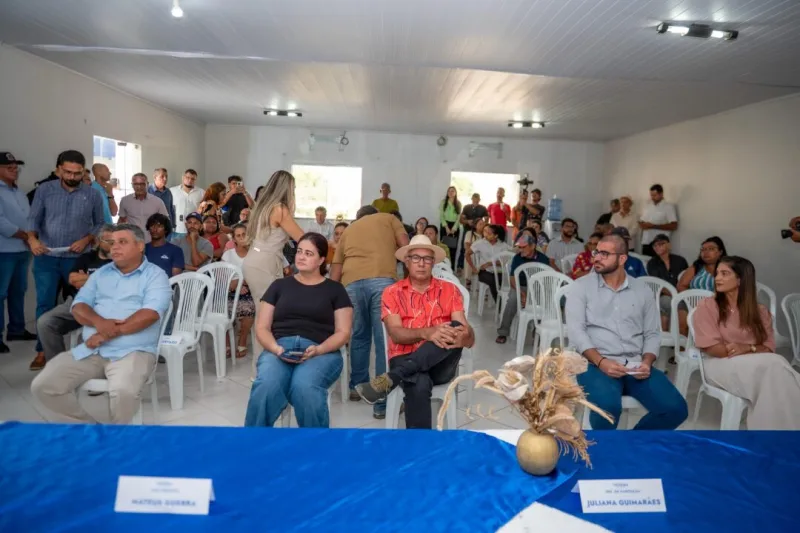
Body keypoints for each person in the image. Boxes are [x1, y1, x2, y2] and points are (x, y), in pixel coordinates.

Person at [31, 224, 171, 424]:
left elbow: (150, 314)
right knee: (44, 385)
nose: (115, 247)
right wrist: (100, 322)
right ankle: (90, 430)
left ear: (140, 246)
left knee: (123, 391)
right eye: (112, 243)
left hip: (133, 351)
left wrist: (105, 333)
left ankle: (118, 437)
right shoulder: (101, 274)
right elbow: (79, 306)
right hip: (92, 350)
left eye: (122, 242)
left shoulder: (156, 275)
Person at [565, 234, 688, 430]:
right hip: (594, 364)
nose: (597, 258)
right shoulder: (581, 287)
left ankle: (632, 441)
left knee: (676, 409)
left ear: (622, 258)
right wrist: (601, 362)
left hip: (635, 364)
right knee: (608, 407)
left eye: (604, 254)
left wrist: (647, 362)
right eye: (596, 252)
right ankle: (606, 447)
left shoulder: (642, 290)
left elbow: (652, 333)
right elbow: (576, 332)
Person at [356, 235, 474, 429]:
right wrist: (427, 333)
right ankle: (421, 445)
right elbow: (396, 334)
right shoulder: (392, 292)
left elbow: (467, 335)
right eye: (416, 258)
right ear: (407, 262)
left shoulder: (450, 290)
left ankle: (394, 377)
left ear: (433, 263)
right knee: (418, 383)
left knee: (454, 326)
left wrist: (464, 337)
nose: (421, 263)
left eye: (427, 258)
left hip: (441, 365)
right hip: (403, 356)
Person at [245, 232, 352, 428]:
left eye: (309, 254)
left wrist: (319, 349)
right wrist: (276, 349)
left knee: (305, 386)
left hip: (321, 350)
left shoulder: (335, 290)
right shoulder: (279, 286)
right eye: (300, 251)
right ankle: (255, 440)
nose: (301, 257)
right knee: (267, 384)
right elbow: (262, 327)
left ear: (321, 259)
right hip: (279, 347)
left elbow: (343, 333)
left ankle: (313, 443)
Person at [693, 256, 800, 430]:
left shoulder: (760, 311)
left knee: (774, 374)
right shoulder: (708, 306)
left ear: (740, 279)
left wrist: (746, 348)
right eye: (717, 273)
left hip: (757, 365)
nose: (717, 278)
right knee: (778, 368)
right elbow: (713, 348)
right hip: (718, 363)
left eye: (724, 273)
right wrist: (753, 350)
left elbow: (769, 348)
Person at [330, 205, 409, 418]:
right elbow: (406, 248)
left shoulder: (349, 230)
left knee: (359, 336)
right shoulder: (389, 218)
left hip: (351, 284)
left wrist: (330, 297)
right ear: (375, 215)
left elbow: (336, 267)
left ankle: (357, 387)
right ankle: (382, 403)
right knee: (384, 341)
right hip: (382, 281)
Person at [28, 150, 105, 369]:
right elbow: (33, 219)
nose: (72, 177)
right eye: (68, 172)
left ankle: (87, 346)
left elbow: (100, 223)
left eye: (77, 173)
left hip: (78, 259)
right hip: (47, 257)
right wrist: (32, 240)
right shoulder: (44, 190)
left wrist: (87, 239)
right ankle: (43, 352)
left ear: (83, 171)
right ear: (58, 170)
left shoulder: (92, 194)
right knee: (45, 303)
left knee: (80, 302)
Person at [35, 225, 115, 367]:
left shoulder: (119, 260)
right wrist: (101, 280)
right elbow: (73, 280)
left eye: (115, 241)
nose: (112, 245)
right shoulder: (86, 258)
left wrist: (87, 279)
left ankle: (95, 368)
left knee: (94, 333)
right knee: (45, 322)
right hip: (78, 302)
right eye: (108, 241)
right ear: (98, 241)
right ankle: (58, 366)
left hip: (107, 305)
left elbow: (115, 285)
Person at [0, 152, 36, 353]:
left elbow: (28, 217)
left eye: (16, 168)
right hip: (4, 250)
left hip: (22, 250)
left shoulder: (18, 192)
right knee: (0, 294)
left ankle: (16, 329)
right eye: (9, 167)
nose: (14, 171)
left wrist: (31, 236)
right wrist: (25, 236)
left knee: (18, 291)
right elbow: (1, 223)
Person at [495, 228, 550, 344]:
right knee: (512, 300)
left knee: (547, 302)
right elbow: (512, 279)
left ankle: (538, 332)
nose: (520, 250)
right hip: (519, 286)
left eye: (523, 247)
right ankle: (503, 332)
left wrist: (531, 296)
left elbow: (546, 280)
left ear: (533, 246)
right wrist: (522, 294)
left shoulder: (543, 259)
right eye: (519, 247)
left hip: (537, 289)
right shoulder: (517, 258)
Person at [221, 224, 256, 359]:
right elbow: (223, 277)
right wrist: (236, 284)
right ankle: (226, 344)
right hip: (230, 290)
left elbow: (256, 276)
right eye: (238, 236)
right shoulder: (228, 254)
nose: (242, 238)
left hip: (249, 290)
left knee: (249, 308)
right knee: (222, 310)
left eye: (244, 235)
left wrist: (241, 282)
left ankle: (242, 340)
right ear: (234, 239)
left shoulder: (255, 254)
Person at [647, 234, 689, 330]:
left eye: (661, 244)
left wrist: (681, 294)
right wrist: (675, 295)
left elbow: (685, 279)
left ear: (669, 245)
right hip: (662, 295)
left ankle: (681, 338)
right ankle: (673, 337)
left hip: (681, 294)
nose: (657, 247)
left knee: (688, 305)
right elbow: (658, 285)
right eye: (655, 245)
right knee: (675, 305)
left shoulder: (680, 260)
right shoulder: (652, 263)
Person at [117, 173, 170, 243]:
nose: (139, 187)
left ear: (147, 184)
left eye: (142, 184)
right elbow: (121, 221)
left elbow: (166, 222)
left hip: (152, 242)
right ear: (132, 185)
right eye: (136, 184)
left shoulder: (158, 202)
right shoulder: (125, 201)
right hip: (132, 242)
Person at [466, 224, 510, 302]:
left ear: (496, 236)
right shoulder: (480, 243)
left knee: (508, 282)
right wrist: (473, 268)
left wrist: (490, 263)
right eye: (486, 232)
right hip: (484, 272)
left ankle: (505, 302)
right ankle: (500, 304)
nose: (486, 235)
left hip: (500, 272)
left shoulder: (503, 246)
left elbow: (505, 261)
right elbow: (467, 254)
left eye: (489, 233)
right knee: (494, 281)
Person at [639, 184, 678, 257]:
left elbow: (674, 226)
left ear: (661, 194)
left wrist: (653, 226)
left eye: (654, 195)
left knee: (660, 264)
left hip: (660, 244)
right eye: (651, 195)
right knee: (646, 263)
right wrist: (641, 224)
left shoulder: (668, 207)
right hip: (646, 242)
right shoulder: (648, 206)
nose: (652, 197)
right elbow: (642, 221)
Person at [169, 169, 204, 238]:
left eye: (192, 179)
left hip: (194, 230)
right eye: (187, 177)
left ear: (195, 180)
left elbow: (204, 211)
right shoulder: (172, 191)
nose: (190, 180)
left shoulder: (201, 193)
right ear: (183, 177)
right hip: (177, 229)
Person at [439, 186, 461, 270]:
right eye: (449, 191)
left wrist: (454, 228)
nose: (450, 193)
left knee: (453, 248)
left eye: (452, 191)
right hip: (445, 226)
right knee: (443, 247)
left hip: (455, 227)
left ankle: (451, 269)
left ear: (455, 193)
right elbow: (441, 216)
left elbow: (459, 217)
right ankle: (443, 268)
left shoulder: (458, 203)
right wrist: (446, 228)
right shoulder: (443, 202)